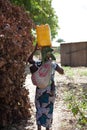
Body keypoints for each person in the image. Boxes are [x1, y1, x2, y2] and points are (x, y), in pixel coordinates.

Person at [28, 45, 64, 130]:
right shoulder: (52, 64)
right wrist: (54, 65)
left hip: (40, 90)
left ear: (42, 54)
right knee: (49, 110)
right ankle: (47, 128)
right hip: (50, 91)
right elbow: (62, 72)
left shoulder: (38, 63)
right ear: (49, 55)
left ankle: (39, 128)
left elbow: (29, 60)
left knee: (39, 108)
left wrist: (34, 50)